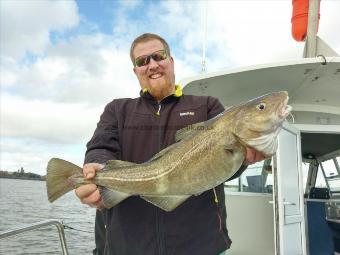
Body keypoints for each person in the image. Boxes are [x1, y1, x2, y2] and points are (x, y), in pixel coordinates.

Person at [75, 33, 265, 255]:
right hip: (126, 246)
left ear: (171, 61)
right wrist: (96, 166)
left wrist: (243, 158)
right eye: (142, 61)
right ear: (135, 70)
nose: (152, 65)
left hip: (200, 246)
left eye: (159, 56)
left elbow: (223, 167)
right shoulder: (117, 110)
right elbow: (101, 146)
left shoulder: (207, 107)